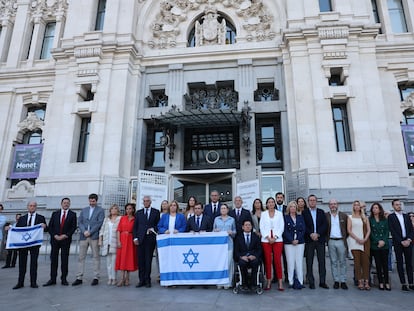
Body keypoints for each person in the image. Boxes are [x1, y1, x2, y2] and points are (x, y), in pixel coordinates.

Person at [13, 201, 47, 289]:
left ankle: (33, 282)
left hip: (34, 244)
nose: (32, 207)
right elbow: (16, 230)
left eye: (34, 206)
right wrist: (9, 228)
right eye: (30, 206)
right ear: (28, 207)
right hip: (23, 244)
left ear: (36, 207)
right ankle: (20, 282)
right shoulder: (22, 218)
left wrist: (45, 226)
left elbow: (46, 229)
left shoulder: (41, 218)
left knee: (34, 263)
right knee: (22, 263)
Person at [43, 198, 77, 287]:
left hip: (66, 240)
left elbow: (73, 227)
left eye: (67, 203)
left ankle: (64, 279)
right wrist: (55, 235)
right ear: (61, 204)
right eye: (64, 203)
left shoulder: (73, 214)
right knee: (54, 260)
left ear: (69, 204)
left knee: (64, 260)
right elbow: (50, 226)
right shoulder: (55, 214)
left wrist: (65, 235)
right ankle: (52, 279)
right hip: (55, 240)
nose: (66, 204)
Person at [72, 193, 105, 286]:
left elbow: (99, 223)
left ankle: (96, 277)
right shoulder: (84, 210)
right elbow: (80, 222)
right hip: (84, 236)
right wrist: (84, 231)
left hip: (94, 236)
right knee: (81, 257)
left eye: (93, 201)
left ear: (96, 201)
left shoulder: (100, 210)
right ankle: (79, 277)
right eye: (90, 201)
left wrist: (91, 231)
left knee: (96, 257)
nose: (92, 202)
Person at [133, 195, 160, 288]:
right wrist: (135, 238)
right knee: (140, 261)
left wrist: (153, 228)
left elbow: (158, 225)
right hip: (140, 240)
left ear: (150, 202)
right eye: (144, 201)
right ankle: (141, 280)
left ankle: (148, 280)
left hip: (150, 239)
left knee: (148, 260)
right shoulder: (138, 213)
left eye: (147, 201)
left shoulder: (155, 212)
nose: (146, 202)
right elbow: (135, 227)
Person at [303, 194, 329, 289]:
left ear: (316, 201)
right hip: (309, 240)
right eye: (310, 200)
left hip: (320, 239)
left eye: (314, 200)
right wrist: (311, 234)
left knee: (321, 261)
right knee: (309, 262)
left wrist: (317, 234)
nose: (312, 202)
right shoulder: (304, 213)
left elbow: (325, 225)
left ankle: (322, 281)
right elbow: (304, 226)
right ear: (308, 202)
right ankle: (311, 282)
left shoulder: (321, 212)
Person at [388, 199, 414, 291]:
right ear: (393, 206)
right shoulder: (391, 217)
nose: (399, 206)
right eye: (396, 205)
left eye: (399, 204)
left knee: (409, 263)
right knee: (399, 263)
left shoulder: (406, 216)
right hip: (398, 243)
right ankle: (403, 283)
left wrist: (409, 239)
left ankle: (411, 282)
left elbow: (411, 229)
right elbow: (392, 231)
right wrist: (401, 241)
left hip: (408, 242)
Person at [260, 197, 284, 291]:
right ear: (266, 204)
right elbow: (262, 227)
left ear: (274, 204)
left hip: (277, 240)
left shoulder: (279, 213)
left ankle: (280, 282)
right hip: (266, 240)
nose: (271, 204)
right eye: (269, 202)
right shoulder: (263, 214)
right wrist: (268, 237)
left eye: (272, 202)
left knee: (277, 260)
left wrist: (275, 237)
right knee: (268, 261)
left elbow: (282, 226)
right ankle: (268, 281)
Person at [347, 200, 371, 290]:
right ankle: (360, 281)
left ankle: (367, 281)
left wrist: (365, 239)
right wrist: (357, 239)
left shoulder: (365, 218)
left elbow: (369, 230)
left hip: (365, 242)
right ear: (353, 207)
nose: (356, 207)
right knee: (357, 263)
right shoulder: (350, 217)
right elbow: (349, 230)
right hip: (354, 242)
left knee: (365, 262)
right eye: (355, 205)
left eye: (358, 205)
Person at [325, 199, 348, 290]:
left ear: (337, 205)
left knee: (342, 261)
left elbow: (348, 229)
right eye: (331, 204)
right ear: (329, 206)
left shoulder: (343, 215)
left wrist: (344, 238)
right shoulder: (326, 216)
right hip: (331, 241)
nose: (333, 206)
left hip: (341, 241)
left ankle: (343, 281)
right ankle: (336, 280)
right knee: (333, 262)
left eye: (334, 204)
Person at [283, 200, 305, 289]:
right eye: (291, 207)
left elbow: (303, 229)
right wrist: (291, 239)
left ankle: (300, 281)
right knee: (290, 262)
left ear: (296, 208)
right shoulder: (285, 218)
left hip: (300, 242)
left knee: (299, 262)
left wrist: (298, 239)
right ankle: (291, 281)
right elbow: (284, 230)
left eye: (294, 207)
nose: (293, 208)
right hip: (289, 243)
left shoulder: (300, 217)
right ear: (289, 208)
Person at [234, 219, 262, 290]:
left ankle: (254, 284)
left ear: (252, 227)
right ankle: (244, 284)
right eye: (246, 225)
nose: (248, 227)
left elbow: (259, 249)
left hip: (253, 257)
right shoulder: (238, 237)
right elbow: (236, 251)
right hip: (243, 257)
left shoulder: (256, 237)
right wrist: (241, 257)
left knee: (256, 262)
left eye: (249, 225)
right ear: (242, 227)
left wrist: (254, 256)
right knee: (242, 263)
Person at [213, 203, 236, 288]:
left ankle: (228, 283)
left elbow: (235, 232)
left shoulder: (232, 219)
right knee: (220, 263)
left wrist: (232, 233)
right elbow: (213, 230)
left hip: (229, 244)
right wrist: (215, 231)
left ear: (227, 210)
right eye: (222, 208)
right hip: (219, 246)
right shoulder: (216, 219)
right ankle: (219, 282)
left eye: (224, 208)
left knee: (228, 263)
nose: (223, 210)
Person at [369, 202, 390, 290]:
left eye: (376, 208)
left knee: (385, 264)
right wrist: (378, 241)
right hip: (375, 245)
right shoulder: (370, 220)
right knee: (378, 264)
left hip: (384, 245)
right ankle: (380, 282)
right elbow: (371, 232)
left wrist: (383, 241)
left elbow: (386, 231)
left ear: (380, 209)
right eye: (373, 208)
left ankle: (387, 282)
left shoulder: (384, 219)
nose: (375, 209)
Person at [98, 204, 121, 286]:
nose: (114, 210)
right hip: (106, 242)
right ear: (110, 210)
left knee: (114, 261)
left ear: (118, 210)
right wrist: (100, 240)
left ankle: (114, 278)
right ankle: (109, 278)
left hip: (115, 242)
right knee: (108, 262)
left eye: (115, 209)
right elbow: (102, 230)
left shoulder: (120, 218)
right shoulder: (106, 219)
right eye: (112, 209)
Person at [115, 203, 137, 287]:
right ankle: (121, 278)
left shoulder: (135, 219)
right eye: (127, 209)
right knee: (122, 259)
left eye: (130, 209)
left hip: (130, 240)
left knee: (129, 259)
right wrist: (118, 241)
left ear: (133, 209)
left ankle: (127, 278)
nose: (128, 210)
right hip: (123, 239)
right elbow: (118, 230)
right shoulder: (122, 218)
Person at [275, 192, 288, 283]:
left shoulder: (287, 208)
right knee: (276, 258)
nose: (279, 199)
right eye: (278, 197)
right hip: (275, 237)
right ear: (276, 199)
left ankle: (287, 276)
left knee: (286, 258)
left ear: (283, 198)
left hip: (286, 237)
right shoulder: (271, 209)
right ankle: (276, 277)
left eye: (281, 197)